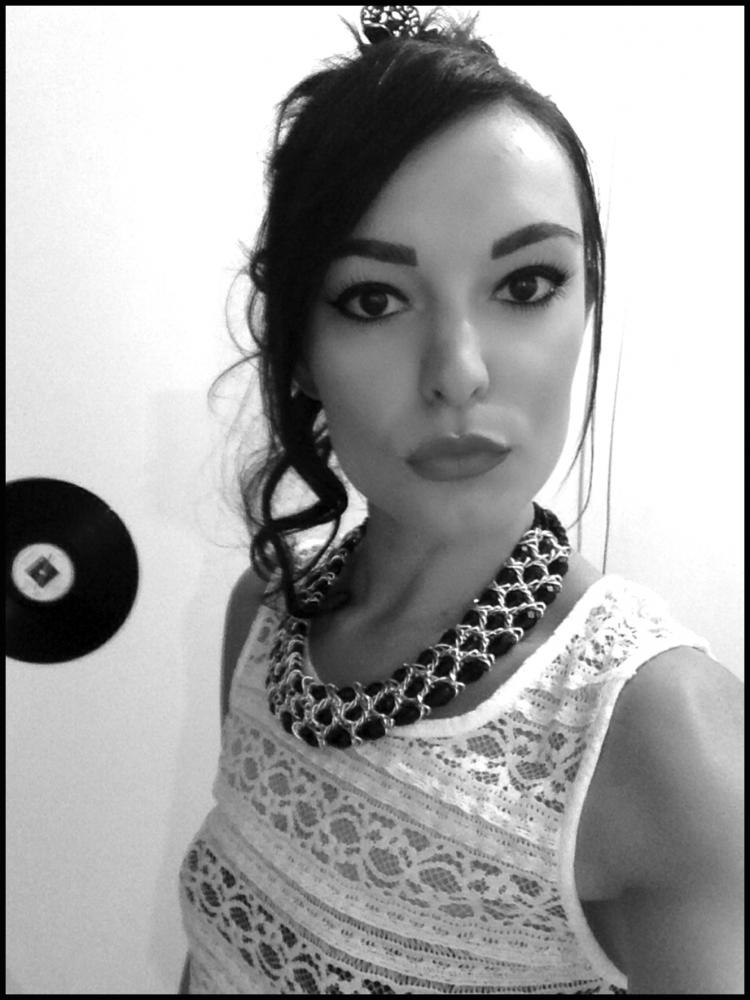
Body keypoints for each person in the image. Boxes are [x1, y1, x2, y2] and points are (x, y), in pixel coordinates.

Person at [178, 6, 743, 994]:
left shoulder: (657, 735)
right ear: (299, 349)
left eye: (525, 285)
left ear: (586, 303)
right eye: (374, 298)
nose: (459, 372)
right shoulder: (264, 619)